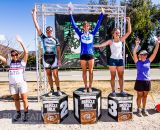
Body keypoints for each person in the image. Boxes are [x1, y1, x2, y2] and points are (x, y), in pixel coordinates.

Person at [69, 5, 104, 93]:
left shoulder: (92, 33)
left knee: (91, 71)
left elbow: (98, 24)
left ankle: (90, 87)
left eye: (87, 26)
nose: (86, 27)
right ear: (83, 28)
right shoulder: (80, 34)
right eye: (84, 26)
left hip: (91, 54)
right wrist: (70, 13)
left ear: (89, 27)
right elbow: (74, 25)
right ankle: (85, 87)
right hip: (83, 55)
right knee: (84, 71)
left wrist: (102, 14)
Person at [94, 17, 131, 96]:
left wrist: (129, 22)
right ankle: (113, 91)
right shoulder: (110, 41)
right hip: (112, 60)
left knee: (121, 76)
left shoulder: (121, 40)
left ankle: (121, 91)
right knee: (113, 77)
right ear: (113, 34)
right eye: (117, 33)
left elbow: (129, 32)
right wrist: (91, 45)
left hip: (120, 60)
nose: (118, 34)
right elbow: (101, 45)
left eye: (119, 33)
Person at [32, 7, 62, 96]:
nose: (49, 32)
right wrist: (34, 16)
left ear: (52, 32)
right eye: (47, 31)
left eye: (50, 31)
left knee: (55, 75)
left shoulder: (55, 40)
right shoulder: (43, 37)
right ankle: (52, 90)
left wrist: (59, 60)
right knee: (49, 75)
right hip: (46, 58)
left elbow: (58, 50)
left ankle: (58, 89)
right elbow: (37, 27)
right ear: (46, 31)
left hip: (54, 58)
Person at [0, 35, 29, 122]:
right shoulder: (9, 62)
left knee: (24, 99)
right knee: (16, 99)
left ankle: (26, 114)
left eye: (16, 54)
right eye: (13, 55)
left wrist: (21, 42)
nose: (15, 56)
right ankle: (18, 113)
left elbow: (26, 52)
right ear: (11, 56)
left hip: (21, 83)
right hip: (12, 85)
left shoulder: (22, 62)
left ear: (18, 55)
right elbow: (1, 57)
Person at [133, 36, 160, 116]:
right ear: (140, 55)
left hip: (147, 81)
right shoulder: (137, 62)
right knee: (139, 96)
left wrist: (157, 43)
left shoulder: (149, 61)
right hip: (139, 81)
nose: (144, 55)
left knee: (145, 96)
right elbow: (134, 53)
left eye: (145, 54)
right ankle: (138, 110)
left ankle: (144, 109)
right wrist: (137, 45)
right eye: (142, 54)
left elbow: (155, 52)